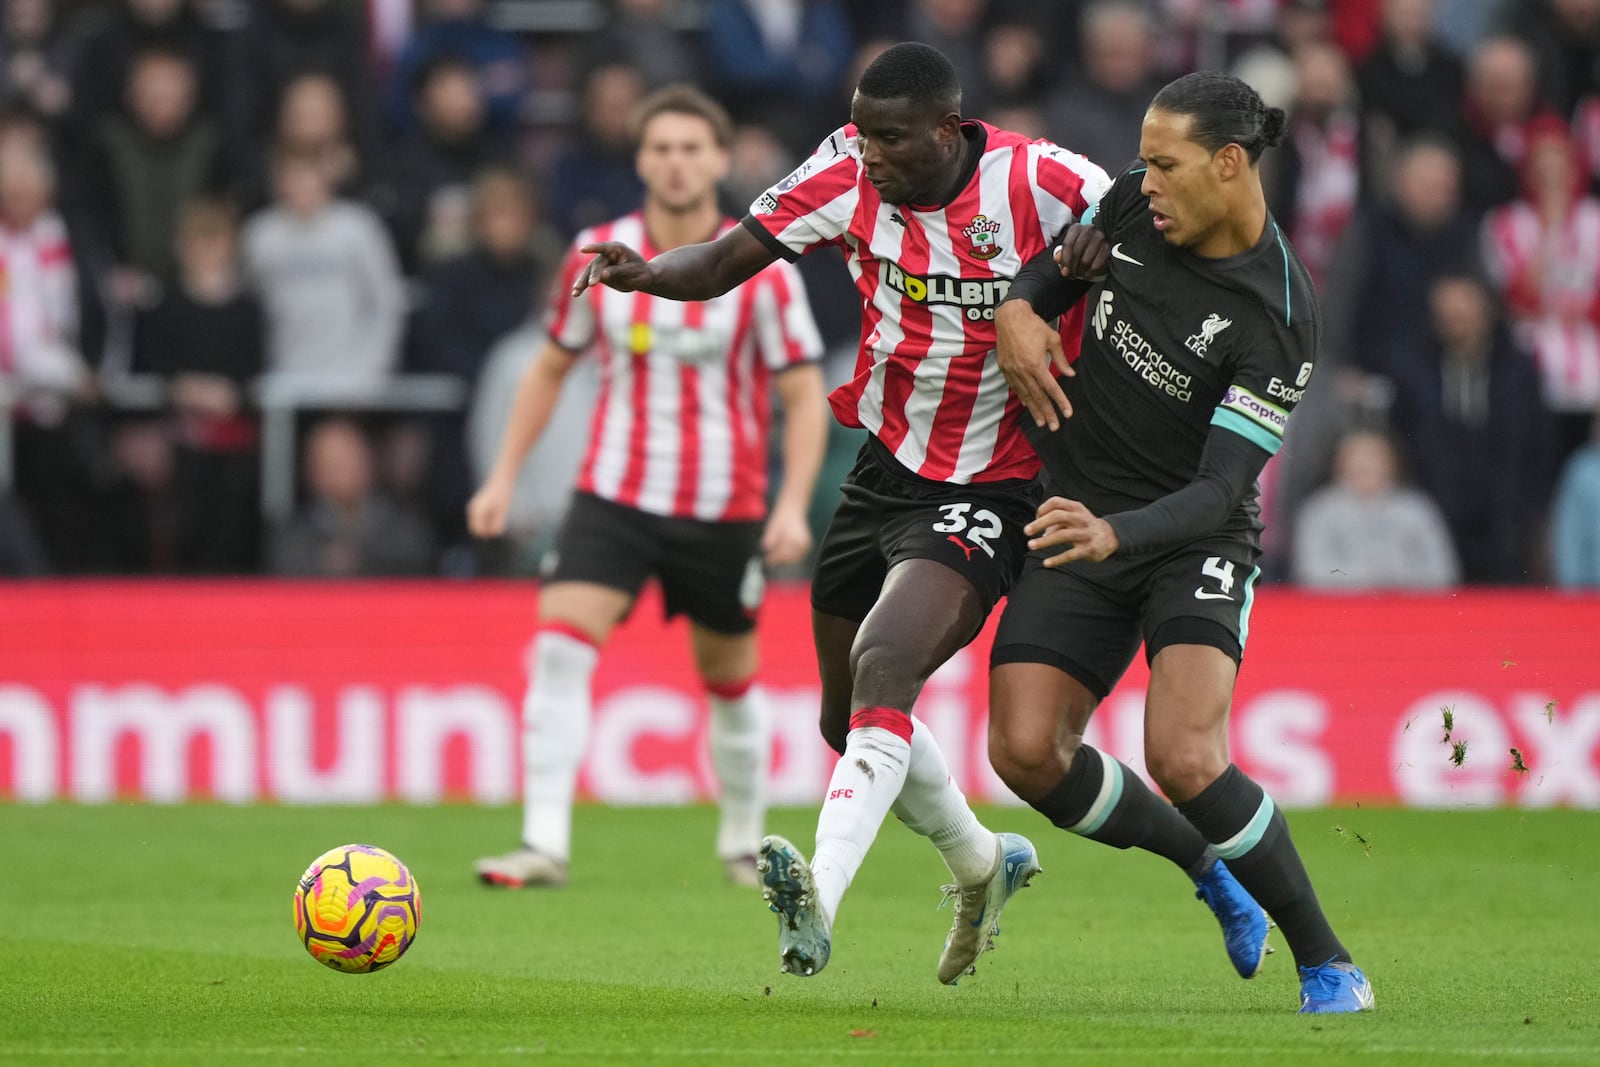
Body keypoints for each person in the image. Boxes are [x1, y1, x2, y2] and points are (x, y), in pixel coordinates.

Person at [575, 43, 1190, 987]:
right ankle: (984, 864)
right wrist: (648, 272)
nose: (870, 155)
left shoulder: (1041, 176)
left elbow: (1143, 208)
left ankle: (817, 896)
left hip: (999, 483)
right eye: (862, 135)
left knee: (885, 662)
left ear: (948, 130)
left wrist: (1105, 252)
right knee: (845, 715)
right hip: (887, 468)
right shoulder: (841, 170)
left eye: (891, 139)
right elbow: (727, 259)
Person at [990, 71, 1374, 1013]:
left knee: (1186, 754)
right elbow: (1051, 273)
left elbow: (1218, 492)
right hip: (1082, 511)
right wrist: (1019, 306)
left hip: (1185, 536)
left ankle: (1328, 961)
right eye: (1145, 160)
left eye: (1163, 164)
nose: (1141, 179)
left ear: (1229, 163)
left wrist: (1114, 532)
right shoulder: (1139, 203)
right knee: (1025, 750)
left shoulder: (1279, 315)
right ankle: (1206, 866)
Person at [468, 86, 828, 890]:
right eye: (661, 147)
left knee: (729, 679)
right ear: (640, 160)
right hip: (615, 496)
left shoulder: (758, 265)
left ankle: (741, 843)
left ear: (721, 160)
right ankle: (543, 843)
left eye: (692, 148)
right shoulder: (597, 250)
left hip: (722, 504)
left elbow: (804, 395)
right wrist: (502, 476)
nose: (676, 162)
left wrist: (793, 504)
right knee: (559, 650)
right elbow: (551, 366)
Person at [1291, 426, 1459, 589]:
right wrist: (1365, 577)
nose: (1365, 464)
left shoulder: (1416, 509)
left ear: (1393, 461)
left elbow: (1442, 571)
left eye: (1374, 456)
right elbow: (1311, 571)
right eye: (1356, 456)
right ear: (1338, 462)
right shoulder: (1319, 510)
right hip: (1341, 610)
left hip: (1408, 608)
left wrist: (1394, 579)